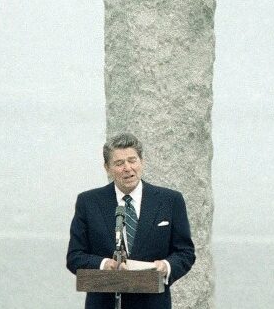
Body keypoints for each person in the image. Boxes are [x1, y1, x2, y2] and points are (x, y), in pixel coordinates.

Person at [67, 132, 196, 309]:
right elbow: (75, 257)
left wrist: (166, 266)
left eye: (132, 160)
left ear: (141, 161)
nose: (127, 168)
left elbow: (185, 253)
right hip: (104, 303)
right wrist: (105, 265)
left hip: (152, 303)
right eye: (119, 163)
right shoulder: (88, 202)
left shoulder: (170, 201)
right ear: (107, 167)